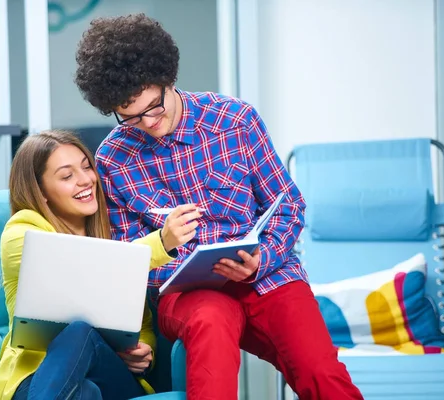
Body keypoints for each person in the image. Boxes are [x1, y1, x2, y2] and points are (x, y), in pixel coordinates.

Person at [74, 13, 364, 400]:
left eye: (154, 107)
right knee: (211, 329)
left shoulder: (235, 120)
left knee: (319, 372)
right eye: (130, 117)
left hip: (268, 275)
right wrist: (173, 255)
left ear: (168, 79)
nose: (147, 123)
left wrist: (263, 259)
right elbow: (129, 258)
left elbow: (288, 205)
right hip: (187, 293)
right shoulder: (113, 158)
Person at [0, 130, 201, 400]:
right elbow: (79, 268)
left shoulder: (116, 236)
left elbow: (140, 325)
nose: (85, 180)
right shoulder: (21, 230)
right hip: (38, 378)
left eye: (86, 167)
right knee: (85, 388)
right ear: (41, 192)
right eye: (67, 176)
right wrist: (161, 243)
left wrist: (143, 352)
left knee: (81, 338)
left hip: (112, 377)